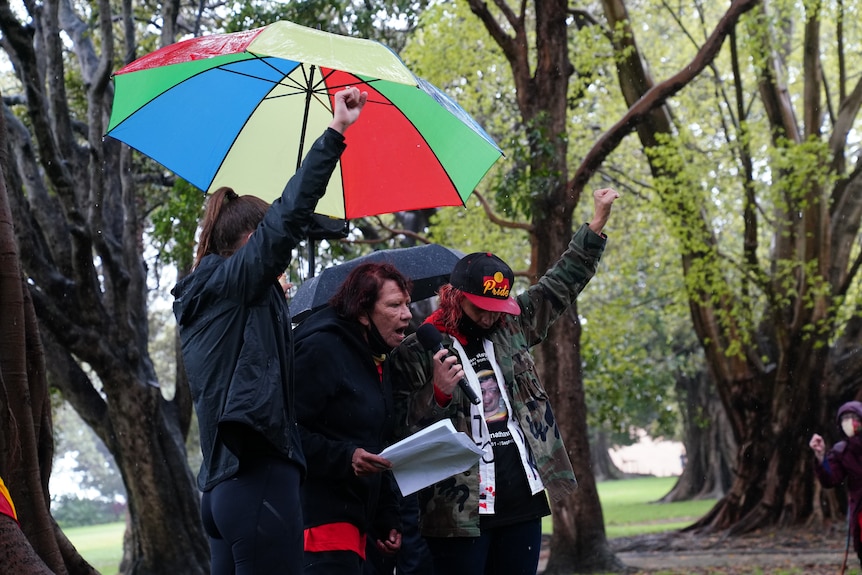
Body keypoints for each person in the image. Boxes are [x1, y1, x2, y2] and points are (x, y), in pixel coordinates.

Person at [171, 87, 367, 575]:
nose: (280, 264)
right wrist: (336, 132)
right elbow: (286, 220)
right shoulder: (239, 280)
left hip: (221, 491)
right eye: (272, 252)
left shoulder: (208, 294)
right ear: (253, 247)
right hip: (259, 482)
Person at [389, 187, 619, 575]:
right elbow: (397, 431)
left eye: (498, 309)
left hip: (522, 498)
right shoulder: (417, 351)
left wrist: (595, 224)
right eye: (482, 308)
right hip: (458, 510)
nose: (490, 317)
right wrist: (440, 394)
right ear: (455, 297)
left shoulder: (512, 328)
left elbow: (558, 285)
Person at [293, 262, 412, 574]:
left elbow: (376, 442)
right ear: (362, 311)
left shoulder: (378, 358)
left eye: (407, 304)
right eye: (394, 305)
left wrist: (388, 518)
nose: (407, 314)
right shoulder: (322, 349)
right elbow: (285, 432)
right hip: (320, 526)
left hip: (363, 528)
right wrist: (346, 457)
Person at [809, 400, 862, 569]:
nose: (849, 422)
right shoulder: (842, 451)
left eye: (854, 417)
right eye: (845, 418)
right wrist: (820, 456)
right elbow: (831, 479)